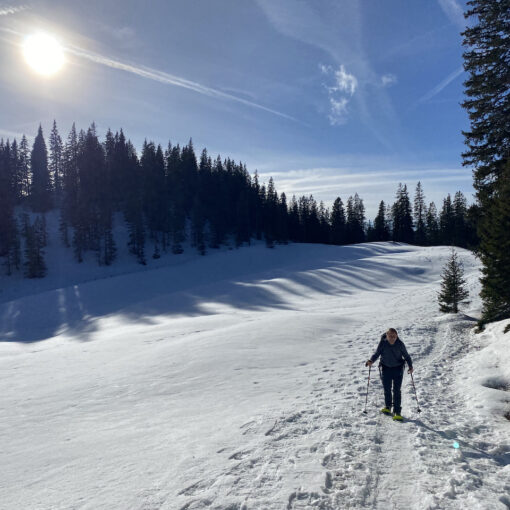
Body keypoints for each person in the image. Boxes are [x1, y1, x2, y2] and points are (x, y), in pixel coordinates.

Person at [365, 328, 413, 421]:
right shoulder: (383, 343)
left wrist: (410, 366)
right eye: (390, 336)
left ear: (397, 336)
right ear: (386, 336)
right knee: (387, 389)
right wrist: (371, 361)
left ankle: (397, 411)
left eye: (394, 336)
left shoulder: (400, 344)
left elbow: (407, 356)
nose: (392, 338)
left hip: (398, 369)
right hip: (386, 368)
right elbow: (377, 353)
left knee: (396, 390)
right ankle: (388, 407)